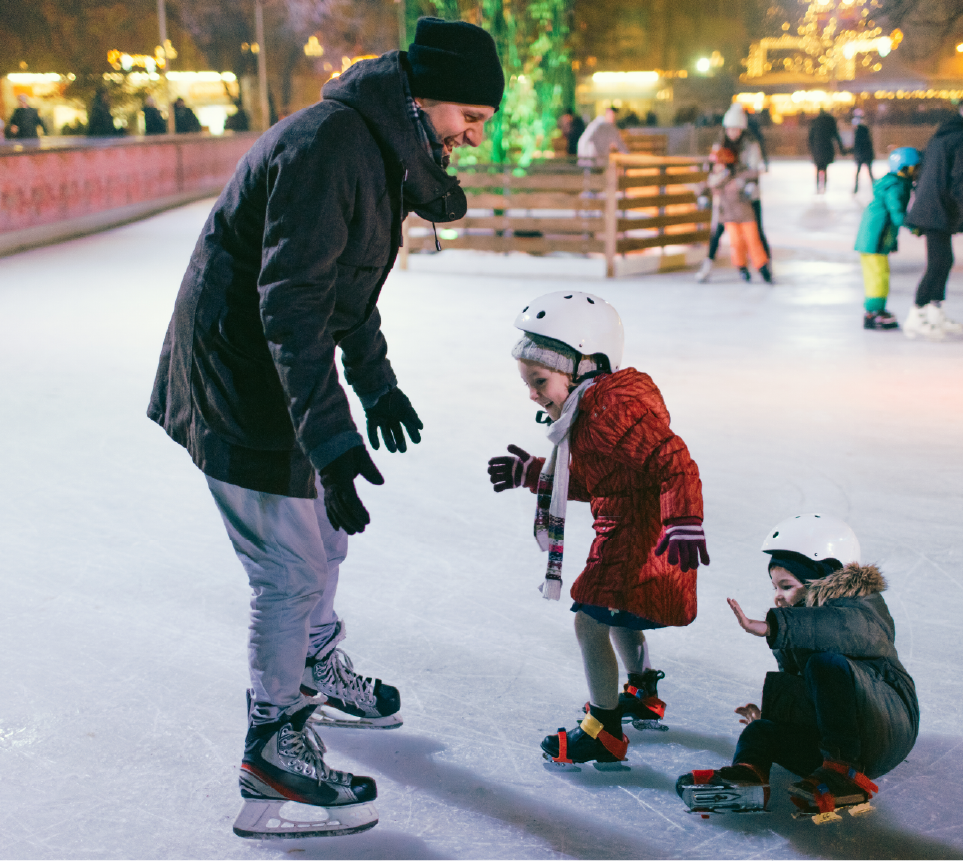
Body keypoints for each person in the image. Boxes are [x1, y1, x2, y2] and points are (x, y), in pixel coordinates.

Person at [147, 17, 501, 839]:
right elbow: (292, 303)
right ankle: (273, 748)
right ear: (421, 100)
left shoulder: (378, 147)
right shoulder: (331, 147)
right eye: (468, 119)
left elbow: (346, 289)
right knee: (289, 563)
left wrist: (374, 387)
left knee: (322, 545)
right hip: (240, 378)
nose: (472, 139)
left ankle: (311, 663)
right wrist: (332, 441)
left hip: (281, 371)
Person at [486, 292, 707, 768]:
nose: (533, 394)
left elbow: (675, 462)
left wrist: (685, 519)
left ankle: (603, 729)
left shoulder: (610, 410)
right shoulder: (592, 409)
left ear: (584, 365)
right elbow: (598, 478)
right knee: (620, 614)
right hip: (628, 526)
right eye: (528, 383)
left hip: (642, 533)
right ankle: (643, 692)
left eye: (540, 381)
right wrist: (533, 474)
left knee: (591, 620)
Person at [676, 514, 918, 820]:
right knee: (761, 730)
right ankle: (748, 778)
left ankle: (843, 774)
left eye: (786, 585)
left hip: (886, 730)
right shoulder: (800, 628)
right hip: (831, 742)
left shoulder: (863, 610)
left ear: (822, 578)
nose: (777, 596)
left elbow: (836, 629)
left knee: (825, 663)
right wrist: (775, 718)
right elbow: (808, 691)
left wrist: (773, 628)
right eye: (774, 586)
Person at [903, 99, 963, 340]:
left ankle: (935, 312)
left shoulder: (942, 134)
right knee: (938, 263)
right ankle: (916, 315)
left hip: (931, 204)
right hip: (939, 207)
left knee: (945, 260)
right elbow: (961, 178)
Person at [697, 103, 771, 284]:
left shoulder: (750, 144)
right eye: (730, 129)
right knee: (719, 232)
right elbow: (712, 170)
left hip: (747, 196)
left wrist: (743, 182)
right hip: (726, 199)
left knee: (756, 231)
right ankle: (712, 265)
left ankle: (765, 266)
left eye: (736, 129)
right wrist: (710, 187)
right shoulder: (720, 145)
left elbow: (755, 169)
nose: (732, 132)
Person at [853, 147, 920, 331]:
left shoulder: (893, 182)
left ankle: (873, 311)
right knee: (878, 277)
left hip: (872, 238)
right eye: (915, 168)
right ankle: (874, 313)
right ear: (904, 168)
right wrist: (915, 227)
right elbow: (897, 214)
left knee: (875, 275)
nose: (917, 172)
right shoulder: (896, 186)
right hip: (875, 240)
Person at [807, 108, 844, 194]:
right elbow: (836, 135)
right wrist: (841, 149)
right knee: (825, 168)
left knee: (818, 168)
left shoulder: (815, 122)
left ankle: (818, 187)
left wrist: (811, 149)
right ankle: (824, 187)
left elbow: (810, 138)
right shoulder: (830, 121)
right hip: (827, 148)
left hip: (817, 149)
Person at [850, 108, 875, 193]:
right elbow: (869, 144)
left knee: (859, 172)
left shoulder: (858, 133)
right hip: (867, 155)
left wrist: (856, 154)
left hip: (861, 155)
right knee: (869, 173)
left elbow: (857, 146)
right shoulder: (866, 132)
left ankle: (856, 188)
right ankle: (875, 186)